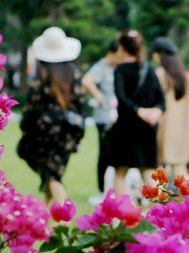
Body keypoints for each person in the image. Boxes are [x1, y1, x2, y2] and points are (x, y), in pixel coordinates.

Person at [17, 27, 85, 204]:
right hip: (68, 131)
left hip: (44, 131)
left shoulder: (42, 73)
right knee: (53, 172)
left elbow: (32, 106)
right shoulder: (73, 73)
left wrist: (25, 128)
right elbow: (80, 103)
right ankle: (46, 219)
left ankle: (64, 214)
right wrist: (78, 135)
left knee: (52, 175)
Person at [107, 29, 165, 194]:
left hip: (125, 128)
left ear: (122, 48)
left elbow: (121, 97)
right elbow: (162, 100)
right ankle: (158, 214)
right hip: (147, 128)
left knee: (120, 173)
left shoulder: (120, 70)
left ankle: (123, 214)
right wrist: (155, 112)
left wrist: (138, 111)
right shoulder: (149, 69)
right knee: (148, 172)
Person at [151, 37, 189, 178]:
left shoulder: (159, 74)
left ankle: (158, 200)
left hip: (162, 128)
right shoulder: (187, 77)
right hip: (184, 130)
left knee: (157, 170)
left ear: (159, 54)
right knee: (180, 168)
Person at [82, 41, 119, 203]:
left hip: (118, 116)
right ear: (112, 53)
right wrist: (100, 98)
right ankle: (101, 190)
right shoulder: (102, 66)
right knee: (105, 153)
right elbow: (87, 81)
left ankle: (115, 189)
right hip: (105, 117)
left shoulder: (118, 67)